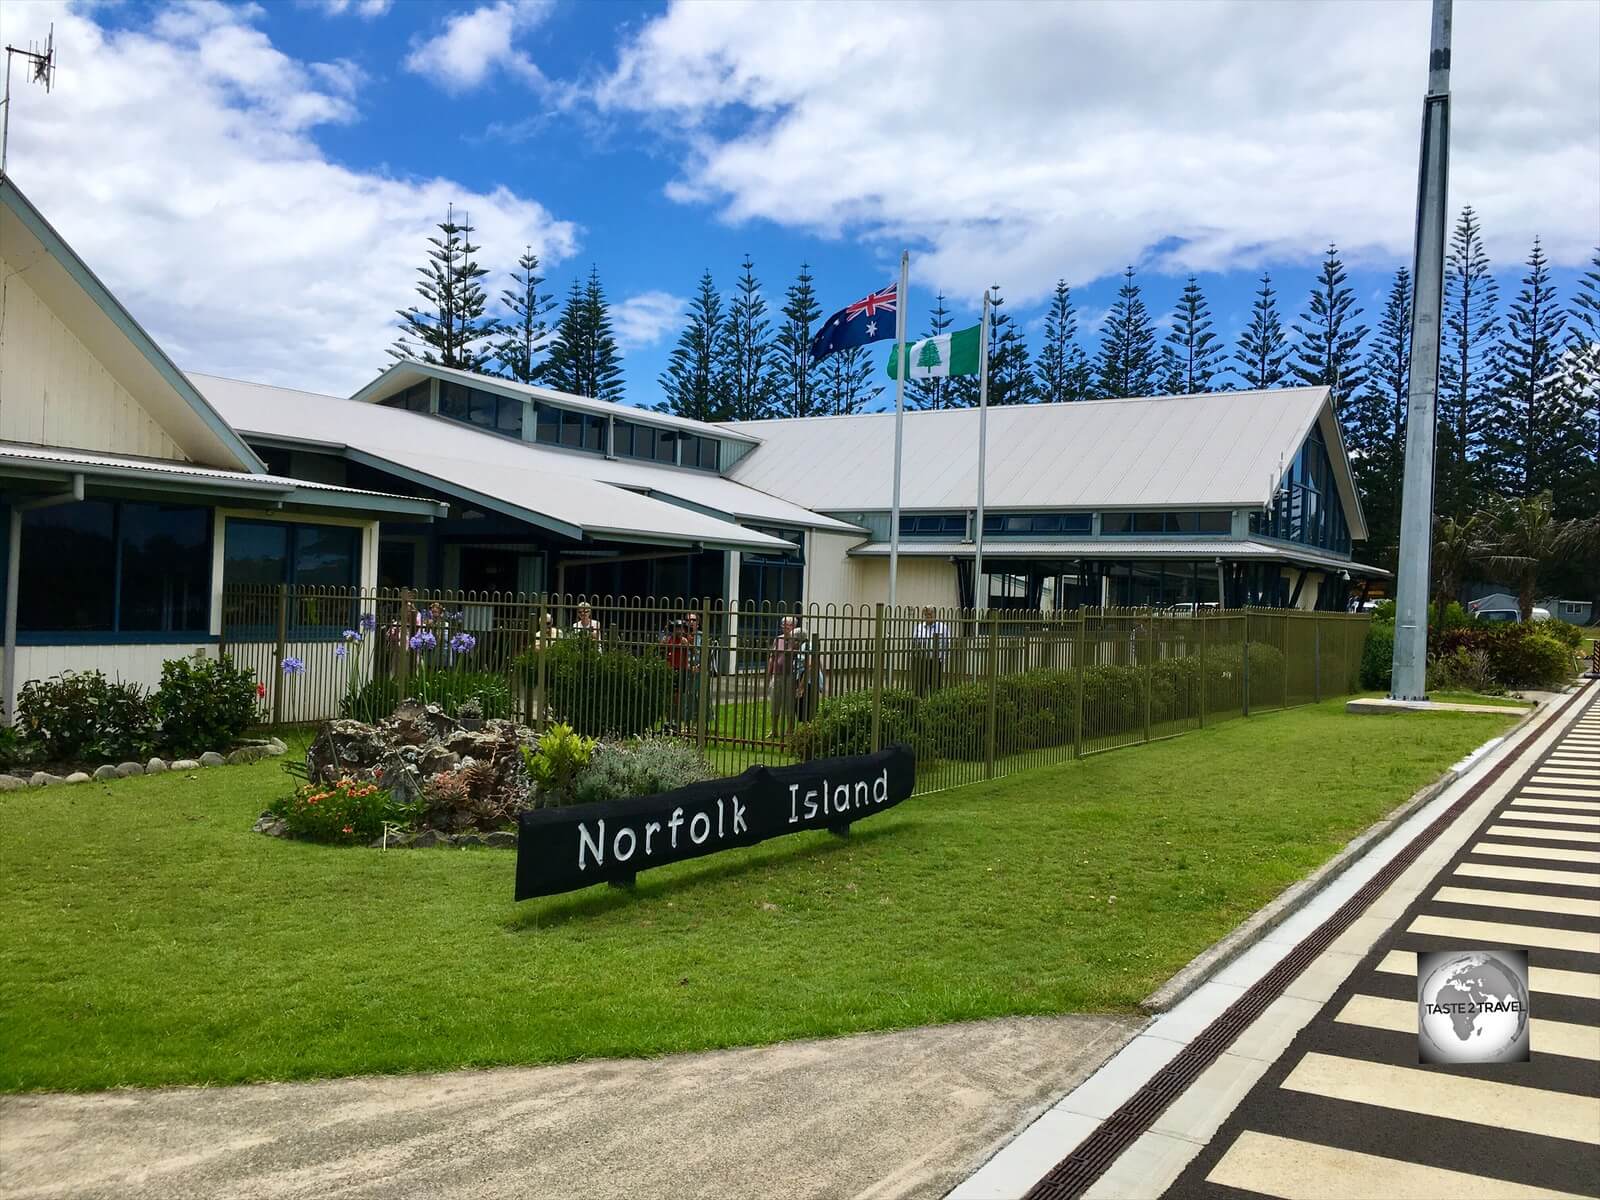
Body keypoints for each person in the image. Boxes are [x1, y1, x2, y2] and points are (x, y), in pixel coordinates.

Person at [767, 616, 798, 738]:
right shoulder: (778, 639)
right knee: (775, 702)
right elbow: (773, 656)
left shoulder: (796, 640)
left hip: (790, 675)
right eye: (783, 625)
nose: (785, 628)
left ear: (794, 627)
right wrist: (769, 672)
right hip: (777, 674)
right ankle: (774, 730)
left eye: (788, 625)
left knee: (789, 703)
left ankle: (790, 730)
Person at [910, 605, 950, 694]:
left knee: (935, 688)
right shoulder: (919, 627)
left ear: (934, 614)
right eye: (926, 614)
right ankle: (920, 705)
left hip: (935, 661)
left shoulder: (942, 627)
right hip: (921, 661)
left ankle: (934, 705)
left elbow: (946, 643)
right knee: (920, 687)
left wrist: (942, 659)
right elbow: (914, 642)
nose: (929, 616)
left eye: (931, 613)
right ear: (924, 615)